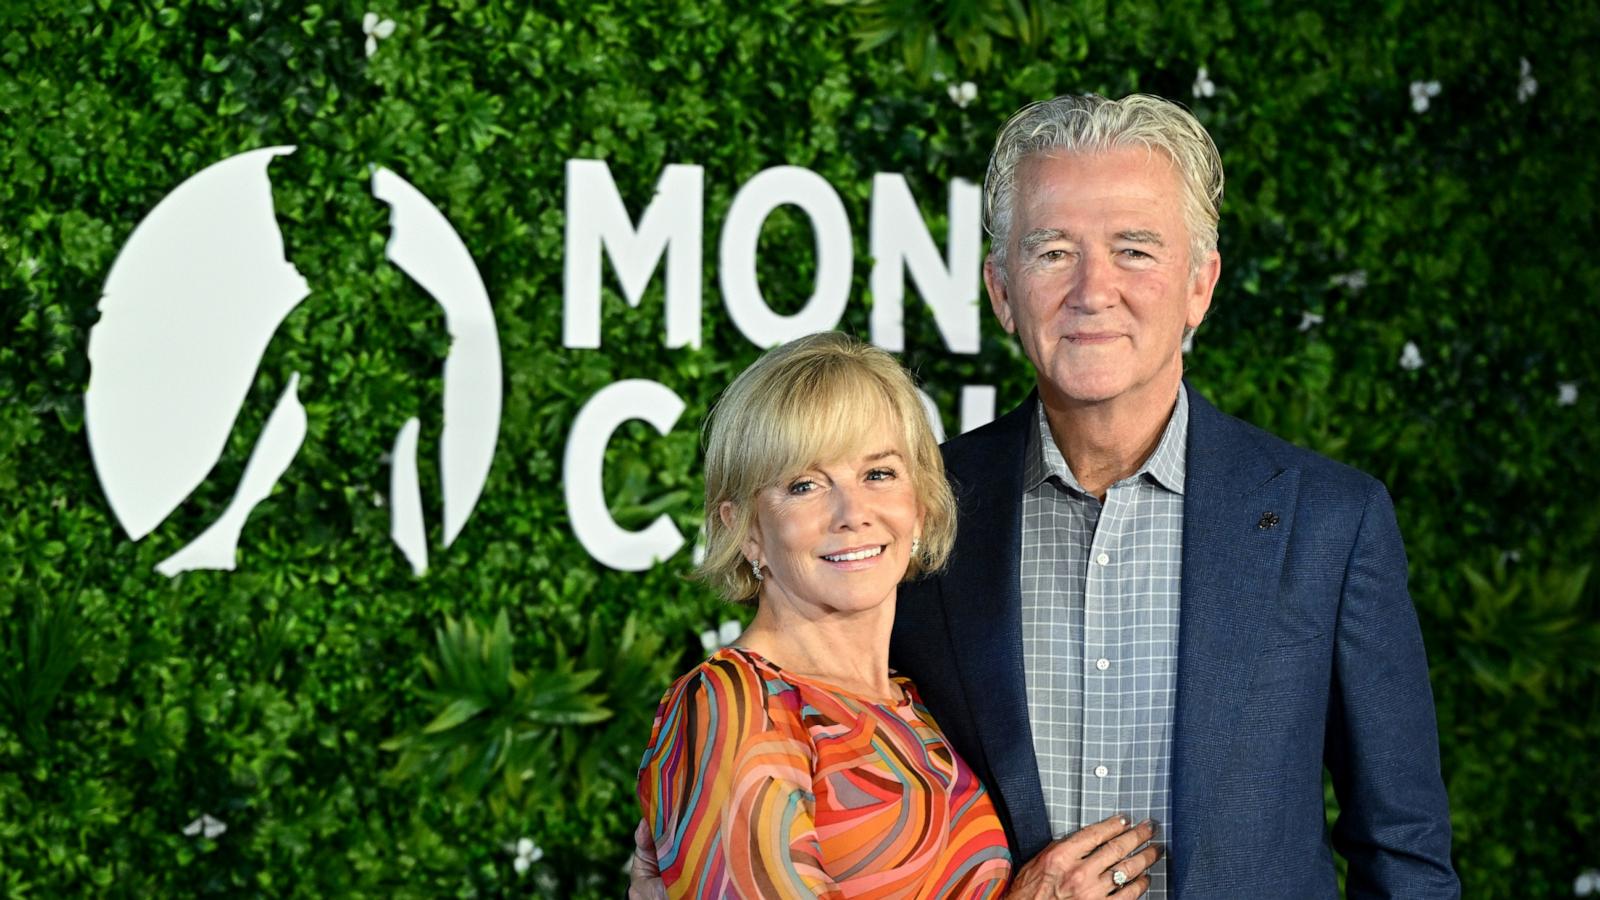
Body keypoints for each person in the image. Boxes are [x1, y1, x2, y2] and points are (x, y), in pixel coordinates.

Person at [888, 93, 1460, 898]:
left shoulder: (1331, 521)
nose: (1093, 289)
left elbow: (1402, 850)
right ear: (1001, 290)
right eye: (1052, 251)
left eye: (1134, 250)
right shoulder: (915, 513)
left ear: (1201, 286)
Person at [634, 332, 1160, 898]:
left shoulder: (909, 705)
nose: (852, 513)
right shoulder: (731, 706)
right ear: (749, 531)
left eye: (878, 474)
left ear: (922, 503)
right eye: (805, 485)